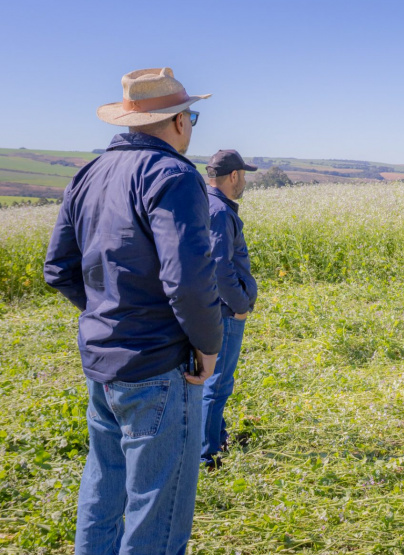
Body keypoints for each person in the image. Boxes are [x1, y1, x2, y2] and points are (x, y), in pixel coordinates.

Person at [43, 67, 223, 555]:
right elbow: (186, 279)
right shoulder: (174, 175)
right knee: (156, 510)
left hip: (101, 362)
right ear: (180, 121)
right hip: (159, 367)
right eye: (192, 116)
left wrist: (108, 310)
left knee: (103, 487)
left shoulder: (89, 174)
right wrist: (209, 346)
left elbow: (59, 268)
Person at [200, 149, 259, 469]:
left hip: (211, 307)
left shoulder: (204, 203)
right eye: (244, 175)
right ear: (233, 176)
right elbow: (221, 267)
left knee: (212, 380)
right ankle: (206, 455)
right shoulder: (221, 212)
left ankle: (215, 437)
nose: (245, 181)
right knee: (218, 383)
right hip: (225, 311)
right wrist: (239, 306)